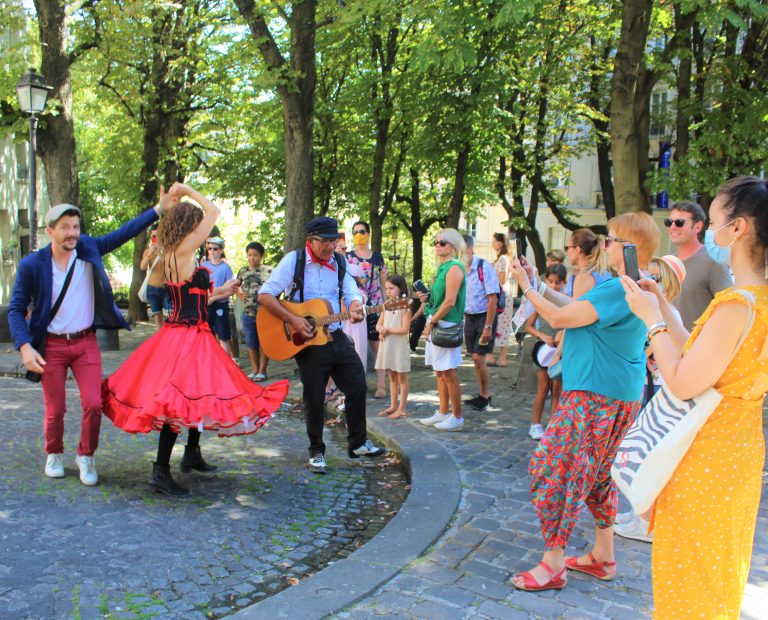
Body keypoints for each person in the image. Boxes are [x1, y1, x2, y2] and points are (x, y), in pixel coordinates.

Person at [622, 176, 768, 618]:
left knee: (692, 580)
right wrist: (663, 307)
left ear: (738, 228)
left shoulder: (736, 304)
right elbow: (702, 354)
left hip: (706, 456)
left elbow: (685, 380)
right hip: (736, 454)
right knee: (718, 571)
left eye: (717, 216)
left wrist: (651, 322)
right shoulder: (755, 300)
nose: (713, 229)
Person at [102, 184, 289, 496]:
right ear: (191, 225)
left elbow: (187, 294)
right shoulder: (187, 247)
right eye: (198, 222)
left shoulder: (169, 255)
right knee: (178, 400)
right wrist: (188, 191)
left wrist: (221, 291)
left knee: (194, 395)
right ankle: (160, 471)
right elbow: (215, 211)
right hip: (189, 337)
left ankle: (191, 453)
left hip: (178, 332)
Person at [507, 211, 660, 592]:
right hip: (619, 395)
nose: (604, 245)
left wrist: (525, 286)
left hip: (594, 395)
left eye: (610, 239)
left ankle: (553, 563)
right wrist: (539, 284)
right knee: (596, 477)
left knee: (553, 468)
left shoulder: (615, 287)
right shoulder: (635, 284)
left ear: (627, 246)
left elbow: (560, 318)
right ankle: (603, 556)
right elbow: (576, 310)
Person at [8, 197, 169, 486]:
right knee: (55, 409)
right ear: (50, 231)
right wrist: (24, 345)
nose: (72, 233)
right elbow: (16, 309)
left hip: (85, 343)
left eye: (76, 227)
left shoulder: (88, 248)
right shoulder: (33, 265)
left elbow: (125, 232)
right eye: (65, 227)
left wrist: (158, 210)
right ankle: (54, 452)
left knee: (94, 403)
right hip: (52, 346)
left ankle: (86, 455)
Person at [258, 216, 387, 474]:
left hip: (336, 335)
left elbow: (351, 292)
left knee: (358, 385)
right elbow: (265, 294)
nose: (330, 246)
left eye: (334, 241)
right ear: (310, 241)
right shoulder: (294, 261)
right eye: (325, 242)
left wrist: (354, 307)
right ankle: (316, 452)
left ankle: (358, 443)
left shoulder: (340, 261)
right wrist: (294, 320)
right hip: (307, 342)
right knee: (314, 398)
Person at [614, 254, 686, 544]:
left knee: (650, 453)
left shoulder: (667, 314)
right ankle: (640, 514)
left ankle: (646, 521)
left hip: (660, 391)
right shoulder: (662, 311)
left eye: (654, 277)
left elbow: (666, 349)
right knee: (642, 451)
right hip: (651, 387)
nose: (648, 281)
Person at [417, 229, 467, 432]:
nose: (438, 245)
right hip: (438, 321)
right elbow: (440, 300)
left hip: (445, 324)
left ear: (453, 247)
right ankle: (443, 411)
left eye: (442, 243)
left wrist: (430, 323)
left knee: (449, 372)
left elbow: (450, 302)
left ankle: (457, 416)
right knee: (439, 371)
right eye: (435, 242)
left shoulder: (455, 267)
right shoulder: (443, 268)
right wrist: (428, 299)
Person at [667, 200, 732, 329]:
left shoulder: (713, 262)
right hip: (667, 345)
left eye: (679, 223)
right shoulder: (668, 262)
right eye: (669, 222)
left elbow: (729, 309)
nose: (672, 227)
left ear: (698, 226)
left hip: (698, 346)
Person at [524, 263, 567, 440]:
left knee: (557, 389)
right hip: (544, 350)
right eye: (550, 281)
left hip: (562, 350)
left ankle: (553, 425)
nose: (553, 286)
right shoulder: (542, 301)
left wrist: (563, 333)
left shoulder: (567, 301)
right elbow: (529, 326)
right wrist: (542, 335)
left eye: (557, 283)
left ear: (564, 283)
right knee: (543, 389)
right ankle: (535, 424)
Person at [346, 221, 388, 398]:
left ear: (369, 234)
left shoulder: (377, 257)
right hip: (356, 306)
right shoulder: (347, 257)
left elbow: (383, 284)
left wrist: (386, 307)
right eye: (355, 232)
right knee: (353, 347)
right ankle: (355, 383)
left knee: (377, 345)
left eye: (361, 231)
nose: (358, 235)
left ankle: (381, 385)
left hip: (375, 305)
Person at [461, 234, 500, 412]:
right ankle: (482, 394)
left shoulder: (484, 267)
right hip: (469, 316)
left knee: (479, 357)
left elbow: (492, 299)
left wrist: (488, 326)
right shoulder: (460, 269)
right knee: (475, 358)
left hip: (485, 316)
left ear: (470, 249)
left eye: (461, 250)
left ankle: (486, 396)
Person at [375, 274, 412, 419]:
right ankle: (393, 405)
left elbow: (404, 329)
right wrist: (380, 329)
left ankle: (402, 408)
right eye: (387, 288)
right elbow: (379, 323)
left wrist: (388, 330)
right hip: (387, 345)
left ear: (400, 288)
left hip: (399, 346)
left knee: (402, 377)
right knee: (392, 376)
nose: (389, 291)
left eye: (392, 288)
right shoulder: (386, 305)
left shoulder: (406, 305)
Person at [236, 241, 273, 381]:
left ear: (261, 256)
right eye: (249, 255)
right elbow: (235, 285)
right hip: (248, 313)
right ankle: (255, 370)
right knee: (251, 342)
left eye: (255, 255)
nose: (252, 258)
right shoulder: (243, 271)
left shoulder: (269, 270)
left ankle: (262, 371)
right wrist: (239, 293)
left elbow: (278, 286)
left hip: (265, 313)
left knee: (264, 342)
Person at [202, 236, 235, 356]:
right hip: (205, 306)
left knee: (223, 336)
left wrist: (214, 298)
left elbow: (231, 290)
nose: (211, 251)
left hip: (221, 305)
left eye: (215, 249)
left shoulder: (225, 268)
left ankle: (226, 363)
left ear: (221, 250)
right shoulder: (203, 266)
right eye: (209, 248)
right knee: (206, 335)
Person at [486, 233, 513, 367]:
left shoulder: (503, 259)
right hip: (503, 293)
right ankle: (498, 357)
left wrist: (491, 274)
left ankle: (496, 357)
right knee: (501, 324)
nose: (493, 243)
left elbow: (502, 279)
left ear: (502, 243)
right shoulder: (503, 258)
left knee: (498, 324)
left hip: (501, 294)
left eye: (495, 241)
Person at [563, 228, 611, 297]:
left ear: (577, 249)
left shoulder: (584, 278)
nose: (567, 253)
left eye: (567, 248)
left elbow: (576, 307)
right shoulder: (603, 273)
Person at [140, 224, 170, 328]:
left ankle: (168, 341)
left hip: (166, 287)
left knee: (169, 317)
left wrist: (161, 252)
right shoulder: (148, 251)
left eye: (158, 235)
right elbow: (143, 267)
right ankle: (160, 342)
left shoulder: (168, 250)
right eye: (153, 236)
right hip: (152, 288)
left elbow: (171, 266)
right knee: (157, 318)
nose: (155, 238)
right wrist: (149, 255)